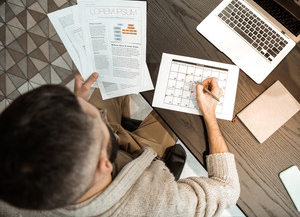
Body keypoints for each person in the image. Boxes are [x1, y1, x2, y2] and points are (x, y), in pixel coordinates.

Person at [0, 73, 240, 217]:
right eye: (95, 119)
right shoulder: (160, 206)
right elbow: (227, 188)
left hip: (110, 159)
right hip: (145, 164)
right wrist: (210, 114)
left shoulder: (11, 195)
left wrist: (76, 101)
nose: (96, 113)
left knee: (102, 85)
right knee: (176, 118)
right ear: (105, 164)